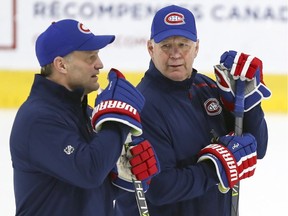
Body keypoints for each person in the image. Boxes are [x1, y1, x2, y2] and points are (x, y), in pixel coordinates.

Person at [114, 5, 271, 216]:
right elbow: (159, 188)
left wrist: (249, 106)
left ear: (196, 48)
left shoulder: (206, 88)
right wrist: (216, 170)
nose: (175, 54)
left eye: (183, 45)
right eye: (166, 46)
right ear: (151, 49)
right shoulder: (143, 106)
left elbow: (257, 149)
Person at [9, 19, 159, 216]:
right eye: (90, 57)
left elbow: (91, 190)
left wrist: (122, 177)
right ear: (61, 65)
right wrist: (118, 120)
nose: (99, 64)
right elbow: (89, 172)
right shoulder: (37, 119)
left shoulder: (86, 113)